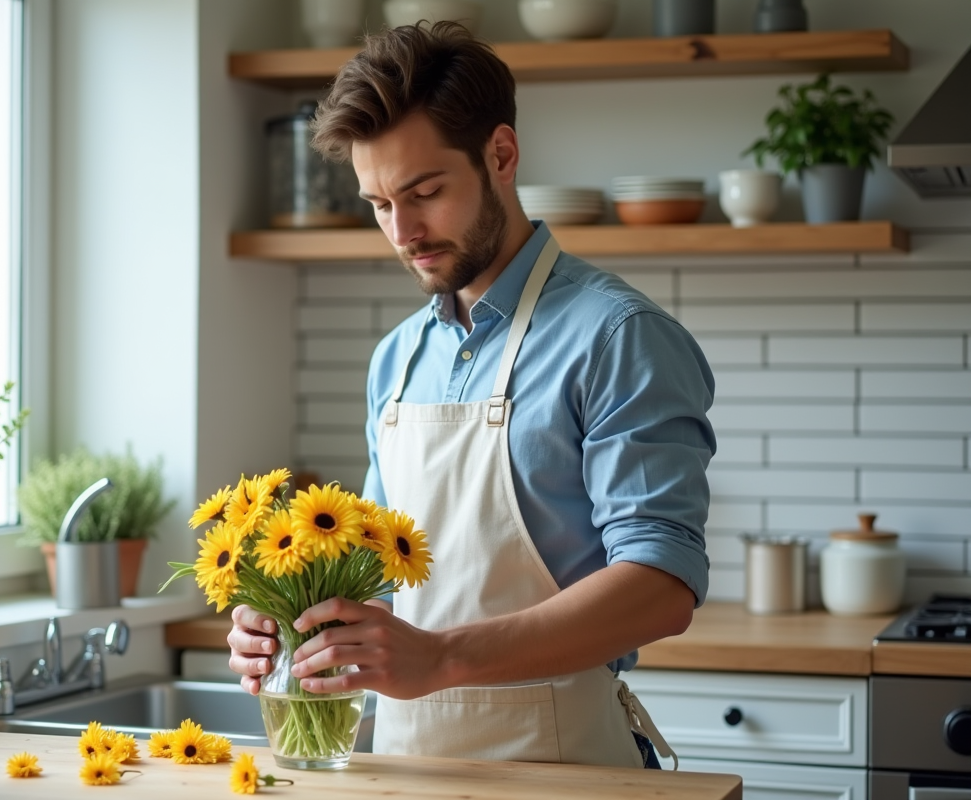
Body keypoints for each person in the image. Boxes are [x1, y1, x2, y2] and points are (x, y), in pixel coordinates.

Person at [227, 22, 715, 769]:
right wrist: (297, 627)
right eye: (380, 204)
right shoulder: (397, 360)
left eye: (424, 193)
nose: (403, 231)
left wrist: (443, 660)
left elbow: (662, 584)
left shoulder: (616, 336)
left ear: (502, 155)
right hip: (408, 767)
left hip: (566, 767)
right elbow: (388, 586)